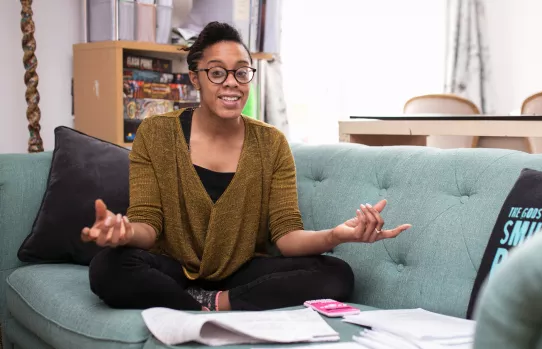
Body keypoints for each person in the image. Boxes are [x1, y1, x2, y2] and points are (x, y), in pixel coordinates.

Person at [83, 21, 411, 312]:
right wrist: (125, 233)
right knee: (107, 269)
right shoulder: (156, 133)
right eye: (216, 72)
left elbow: (286, 237)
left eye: (241, 71)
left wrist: (337, 235)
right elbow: (149, 224)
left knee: (337, 275)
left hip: (241, 271)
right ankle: (197, 302)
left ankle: (211, 304)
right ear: (195, 78)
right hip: (171, 266)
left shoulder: (271, 143)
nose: (231, 82)